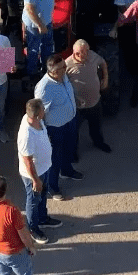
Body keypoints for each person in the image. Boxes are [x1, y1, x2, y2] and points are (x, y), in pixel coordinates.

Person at [34, 54, 82, 196]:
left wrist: (75, 101)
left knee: (69, 148)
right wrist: (43, 134)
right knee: (55, 157)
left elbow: (68, 92)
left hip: (70, 121)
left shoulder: (63, 76)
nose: (66, 69)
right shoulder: (44, 88)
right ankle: (52, 186)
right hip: (55, 129)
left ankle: (67, 171)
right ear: (54, 72)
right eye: (63, 68)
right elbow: (39, 113)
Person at [17, 99, 60, 243]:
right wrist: (35, 179)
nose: (45, 110)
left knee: (42, 195)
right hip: (34, 174)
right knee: (33, 200)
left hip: (45, 167)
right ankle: (32, 228)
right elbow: (27, 160)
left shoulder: (37, 121)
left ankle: (42, 218)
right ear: (37, 115)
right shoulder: (27, 134)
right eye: (43, 109)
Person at [66, 40, 112, 158]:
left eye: (84, 53)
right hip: (77, 107)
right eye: (77, 54)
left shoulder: (93, 56)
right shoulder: (67, 64)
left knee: (96, 126)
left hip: (94, 103)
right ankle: (72, 153)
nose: (81, 56)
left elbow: (103, 63)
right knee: (73, 131)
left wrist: (105, 78)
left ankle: (98, 142)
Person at [22, 0, 57, 76]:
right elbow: (29, 8)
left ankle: (46, 71)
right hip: (36, 25)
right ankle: (32, 74)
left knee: (47, 47)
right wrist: (40, 24)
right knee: (33, 50)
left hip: (46, 21)